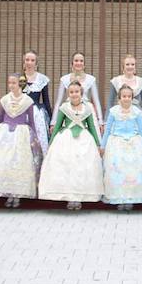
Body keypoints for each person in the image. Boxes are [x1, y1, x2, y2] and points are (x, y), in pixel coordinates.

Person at [0, 74, 43, 208]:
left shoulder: (27, 101)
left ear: (20, 85)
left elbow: (31, 121)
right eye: (9, 83)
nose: (11, 85)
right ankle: (5, 191)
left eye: (14, 83)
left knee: (18, 162)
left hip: (21, 133)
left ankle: (16, 194)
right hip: (4, 132)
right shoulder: (5, 100)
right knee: (3, 161)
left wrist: (35, 137)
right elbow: (0, 118)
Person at [39, 81, 104, 210]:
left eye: (77, 92)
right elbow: (57, 126)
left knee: (82, 168)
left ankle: (80, 197)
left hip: (84, 140)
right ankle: (68, 196)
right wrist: (50, 143)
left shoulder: (87, 109)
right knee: (66, 166)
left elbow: (91, 127)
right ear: (68, 94)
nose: (74, 94)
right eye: (71, 92)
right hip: (65, 139)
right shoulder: (64, 107)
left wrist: (97, 144)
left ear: (81, 93)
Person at [100, 85, 142, 209]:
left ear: (132, 98)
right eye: (124, 96)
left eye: (129, 96)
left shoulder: (136, 112)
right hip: (117, 142)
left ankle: (133, 197)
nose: (126, 99)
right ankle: (119, 197)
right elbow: (108, 129)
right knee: (118, 170)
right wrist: (103, 146)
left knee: (135, 170)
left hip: (134, 141)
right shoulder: (113, 111)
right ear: (119, 98)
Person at [107, 54, 142, 157]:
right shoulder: (116, 81)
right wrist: (105, 120)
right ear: (123, 66)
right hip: (120, 116)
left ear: (135, 67)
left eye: (132, 64)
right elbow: (110, 102)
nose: (130, 66)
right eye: (127, 64)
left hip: (138, 115)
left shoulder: (141, 82)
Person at [53, 51, 103, 128]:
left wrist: (100, 121)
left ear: (84, 64)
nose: (78, 63)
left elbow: (96, 101)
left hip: (86, 111)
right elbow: (58, 102)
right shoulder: (64, 79)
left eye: (81, 61)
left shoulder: (91, 79)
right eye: (76, 61)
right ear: (71, 64)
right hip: (69, 111)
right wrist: (53, 121)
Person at [18, 50, 51, 154]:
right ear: (24, 62)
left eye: (32, 60)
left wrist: (51, 121)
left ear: (36, 63)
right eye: (27, 60)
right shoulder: (18, 78)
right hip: (21, 113)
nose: (29, 62)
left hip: (37, 114)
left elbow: (46, 101)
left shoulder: (42, 79)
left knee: (38, 140)